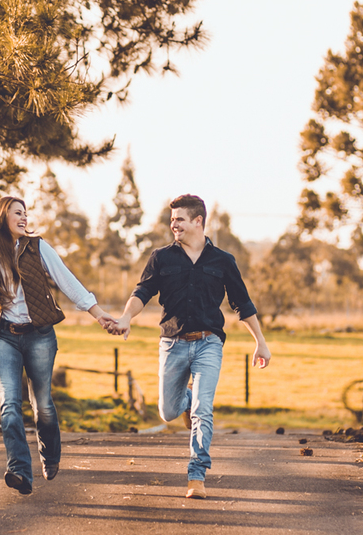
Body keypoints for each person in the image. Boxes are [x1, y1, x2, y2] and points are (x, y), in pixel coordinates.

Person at [111, 194, 271, 500]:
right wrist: (126, 317)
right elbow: (142, 291)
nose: (174, 225)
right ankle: (184, 401)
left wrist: (260, 342)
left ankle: (196, 475)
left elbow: (243, 304)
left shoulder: (223, 261)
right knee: (168, 411)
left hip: (209, 343)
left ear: (198, 221)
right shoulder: (161, 258)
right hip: (172, 343)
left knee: (203, 410)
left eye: (180, 219)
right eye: (172, 220)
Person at [0, 195, 118, 495]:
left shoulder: (37, 247)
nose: (24, 218)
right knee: (9, 404)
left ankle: (50, 454)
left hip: (39, 334)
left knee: (42, 405)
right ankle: (19, 470)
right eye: (17, 213)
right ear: (1, 217)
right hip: (2, 335)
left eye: (26, 214)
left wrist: (98, 315)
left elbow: (68, 282)